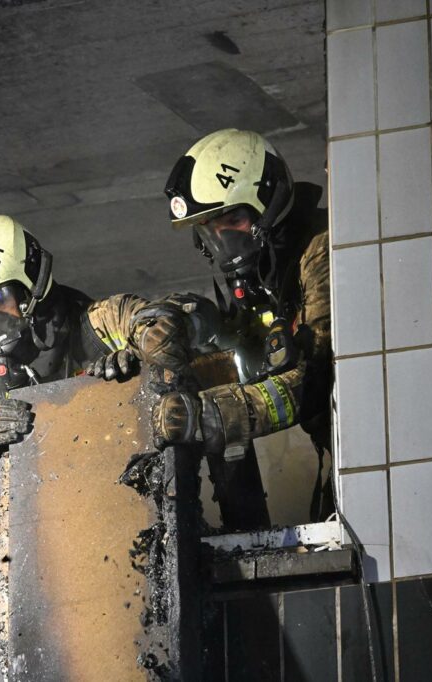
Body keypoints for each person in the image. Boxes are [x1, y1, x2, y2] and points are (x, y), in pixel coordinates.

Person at [0, 214, 211, 517]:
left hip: (141, 512)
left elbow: (179, 321)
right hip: (51, 539)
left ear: (31, 284)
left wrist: (140, 362)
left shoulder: (103, 324)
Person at [154, 128, 333, 525]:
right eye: (211, 231)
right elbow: (258, 346)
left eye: (232, 220)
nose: (224, 242)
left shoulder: (322, 253)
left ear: (268, 204)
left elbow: (317, 380)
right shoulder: (273, 270)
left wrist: (214, 415)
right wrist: (193, 322)